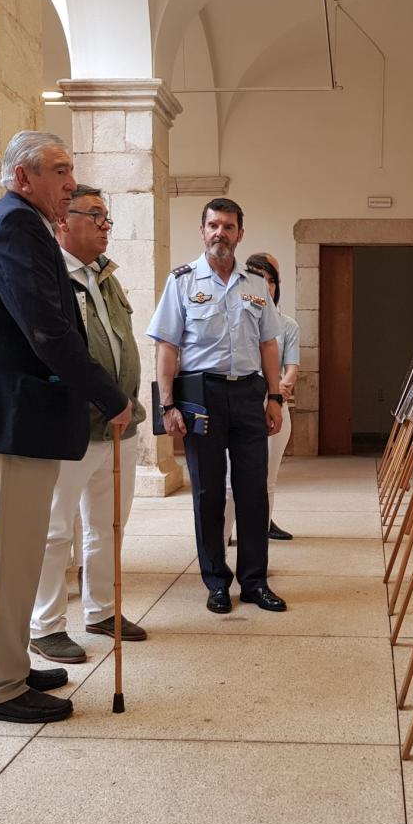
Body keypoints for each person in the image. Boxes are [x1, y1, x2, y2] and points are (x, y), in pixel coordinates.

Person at [0, 132, 133, 724]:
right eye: (59, 170)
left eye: (71, 170)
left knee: (18, 555)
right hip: (6, 421)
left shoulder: (19, 223)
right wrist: (109, 395)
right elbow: (47, 331)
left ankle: (11, 666)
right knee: (9, 558)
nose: (71, 183)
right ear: (23, 177)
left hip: (14, 421)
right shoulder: (17, 226)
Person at [147, 198, 288, 615]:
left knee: (253, 493)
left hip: (247, 395)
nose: (219, 234)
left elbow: (268, 345)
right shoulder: (183, 282)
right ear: (202, 229)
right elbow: (166, 347)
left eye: (228, 227)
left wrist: (275, 396)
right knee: (208, 493)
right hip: (201, 399)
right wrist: (167, 405)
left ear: (240, 233)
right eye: (213, 226)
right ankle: (215, 581)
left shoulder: (256, 286)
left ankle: (255, 581)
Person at [29, 185, 147, 664]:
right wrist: (104, 395)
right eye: (94, 215)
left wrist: (125, 401)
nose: (105, 226)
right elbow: (61, 351)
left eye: (107, 217)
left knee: (109, 524)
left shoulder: (106, 276)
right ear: (63, 222)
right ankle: (46, 625)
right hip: (73, 423)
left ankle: (102, 610)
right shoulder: (52, 276)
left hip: (119, 423)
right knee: (56, 530)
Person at [223, 253, 299, 544]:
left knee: (267, 480)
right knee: (231, 479)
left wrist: (279, 389)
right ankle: (225, 537)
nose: (266, 286)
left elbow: (291, 367)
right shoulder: (234, 315)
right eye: (260, 279)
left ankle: (256, 542)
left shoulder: (287, 324)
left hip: (273, 404)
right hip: (239, 405)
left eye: (271, 281)